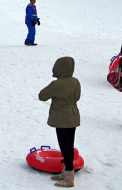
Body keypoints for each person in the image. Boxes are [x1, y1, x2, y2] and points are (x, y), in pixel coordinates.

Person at [38, 56, 80, 188]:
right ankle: (66, 171)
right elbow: (77, 96)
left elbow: (42, 96)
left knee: (64, 147)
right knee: (70, 145)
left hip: (61, 117)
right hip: (73, 115)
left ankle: (69, 177)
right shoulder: (75, 81)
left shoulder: (57, 84)